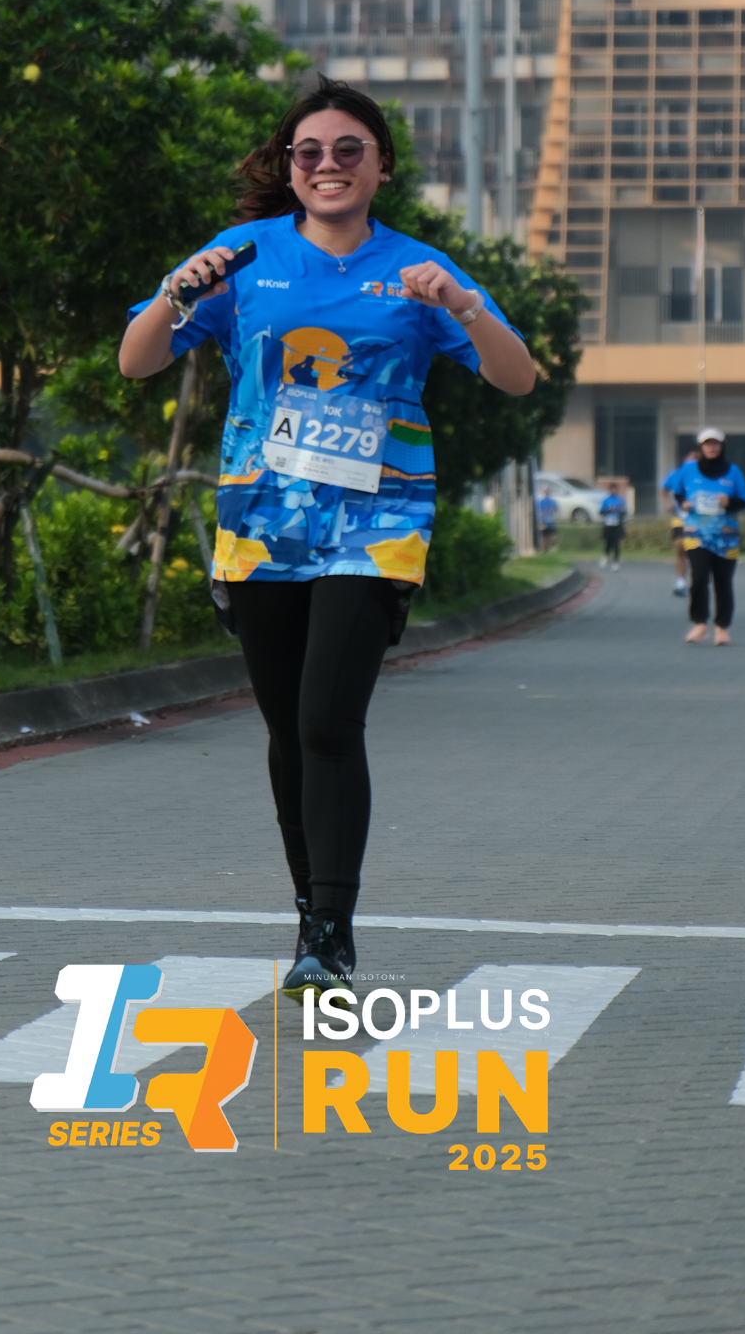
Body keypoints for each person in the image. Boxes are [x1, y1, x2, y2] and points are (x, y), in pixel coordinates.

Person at [118, 76, 536, 1001]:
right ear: (290, 167)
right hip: (261, 526)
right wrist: (177, 294)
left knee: (325, 722)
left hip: (375, 529)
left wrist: (462, 307)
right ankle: (310, 914)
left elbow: (518, 378)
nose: (328, 165)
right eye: (309, 152)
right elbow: (136, 360)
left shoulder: (420, 270)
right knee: (286, 731)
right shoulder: (242, 257)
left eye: (350, 149)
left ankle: (332, 936)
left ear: (382, 166)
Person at [673, 428, 745, 645]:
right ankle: (699, 623)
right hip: (696, 535)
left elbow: (744, 500)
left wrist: (730, 503)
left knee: (723, 581)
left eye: (716, 443)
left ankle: (722, 627)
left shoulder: (733, 472)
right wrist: (683, 503)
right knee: (698, 577)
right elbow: (677, 492)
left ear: (722, 446)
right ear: (701, 447)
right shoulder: (689, 469)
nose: (712, 447)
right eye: (707, 444)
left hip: (726, 537)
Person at [662, 449, 698, 597]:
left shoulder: (703, 476)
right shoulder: (676, 474)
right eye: (692, 457)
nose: (694, 460)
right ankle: (680, 581)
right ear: (685, 458)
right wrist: (667, 503)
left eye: (697, 458)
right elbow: (663, 489)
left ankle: (698, 581)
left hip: (699, 519)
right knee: (679, 547)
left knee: (694, 552)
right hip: (680, 517)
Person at [599, 481, 627, 569]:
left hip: (617, 524)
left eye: (615, 489)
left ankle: (616, 561)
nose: (614, 491)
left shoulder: (621, 500)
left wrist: (621, 511)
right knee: (608, 542)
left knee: (616, 543)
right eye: (612, 489)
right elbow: (601, 512)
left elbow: (624, 512)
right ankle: (606, 556)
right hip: (608, 524)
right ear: (610, 490)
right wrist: (609, 509)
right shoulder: (606, 500)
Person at [537, 486, 559, 553]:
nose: (546, 493)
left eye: (547, 491)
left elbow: (556, 510)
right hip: (544, 522)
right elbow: (539, 512)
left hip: (551, 522)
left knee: (552, 537)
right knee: (544, 537)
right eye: (545, 492)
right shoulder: (541, 502)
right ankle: (545, 550)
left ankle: (549, 548)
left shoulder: (553, 502)